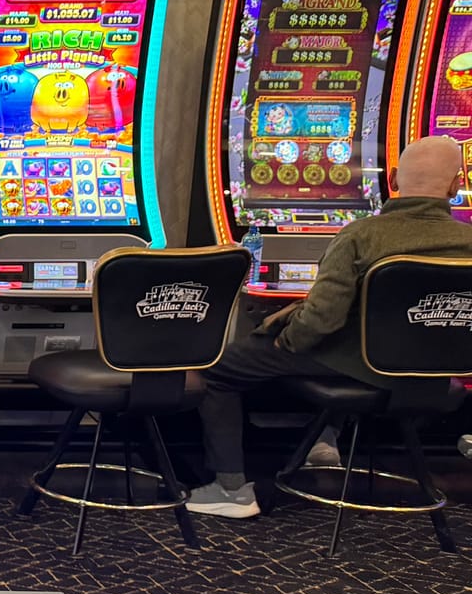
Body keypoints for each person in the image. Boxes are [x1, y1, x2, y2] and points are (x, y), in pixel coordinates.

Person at [188, 135, 472, 518]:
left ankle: (231, 490)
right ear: (456, 184)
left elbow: (322, 319)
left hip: (361, 365)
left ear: (392, 178)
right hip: (436, 376)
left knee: (217, 369)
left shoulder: (361, 234)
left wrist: (284, 341)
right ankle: (323, 442)